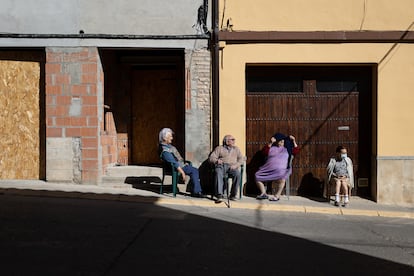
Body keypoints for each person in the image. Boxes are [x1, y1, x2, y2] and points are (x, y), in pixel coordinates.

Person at [158, 128, 204, 198]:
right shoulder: (165, 151)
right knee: (194, 170)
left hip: (180, 165)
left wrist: (184, 163)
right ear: (165, 138)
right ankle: (196, 191)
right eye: (170, 136)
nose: (172, 138)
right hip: (175, 168)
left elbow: (177, 159)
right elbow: (174, 163)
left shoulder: (169, 147)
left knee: (193, 169)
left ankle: (194, 190)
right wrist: (182, 173)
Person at [255, 133, 299, 201]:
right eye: (280, 141)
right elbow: (264, 152)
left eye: (282, 141)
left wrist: (294, 141)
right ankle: (263, 193)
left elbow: (296, 151)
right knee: (257, 175)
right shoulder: (271, 148)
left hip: (281, 171)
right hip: (268, 169)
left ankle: (277, 195)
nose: (281, 142)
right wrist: (270, 142)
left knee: (282, 179)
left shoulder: (287, 149)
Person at [209, 135, 245, 202]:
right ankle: (219, 195)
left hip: (232, 167)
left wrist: (236, 165)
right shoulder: (219, 148)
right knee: (218, 172)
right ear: (227, 141)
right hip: (221, 166)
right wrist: (217, 161)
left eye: (234, 139)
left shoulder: (236, 149)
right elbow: (211, 158)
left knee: (237, 174)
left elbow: (241, 159)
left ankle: (233, 195)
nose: (234, 141)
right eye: (232, 139)